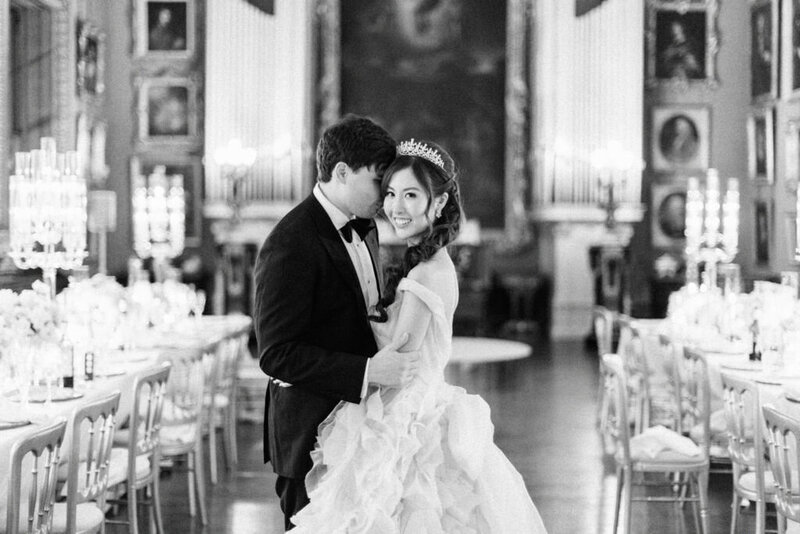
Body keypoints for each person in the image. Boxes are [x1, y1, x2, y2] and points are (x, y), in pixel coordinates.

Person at [290, 139, 548, 532]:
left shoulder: (426, 273)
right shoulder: (429, 263)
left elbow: (399, 361)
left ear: (439, 203)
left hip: (407, 416)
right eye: (390, 193)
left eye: (411, 195)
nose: (396, 206)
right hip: (415, 405)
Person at [254, 114, 421, 531]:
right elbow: (276, 354)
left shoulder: (366, 227)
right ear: (342, 172)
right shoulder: (290, 243)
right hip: (308, 434)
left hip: (356, 429)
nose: (384, 198)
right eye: (377, 183)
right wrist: (367, 371)